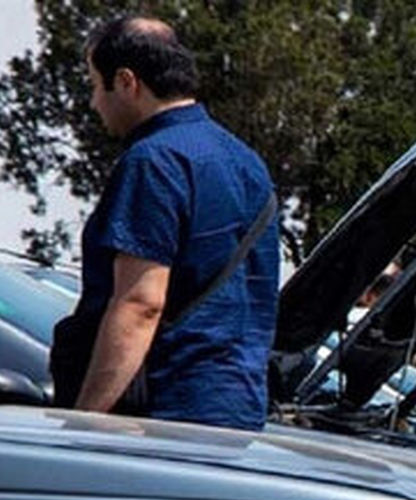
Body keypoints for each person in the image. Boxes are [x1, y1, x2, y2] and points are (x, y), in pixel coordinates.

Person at [56, 16, 279, 430]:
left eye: (93, 85)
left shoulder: (153, 161)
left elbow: (141, 304)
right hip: (239, 409)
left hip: (162, 417)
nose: (93, 103)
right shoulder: (247, 162)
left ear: (126, 82)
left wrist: (83, 420)